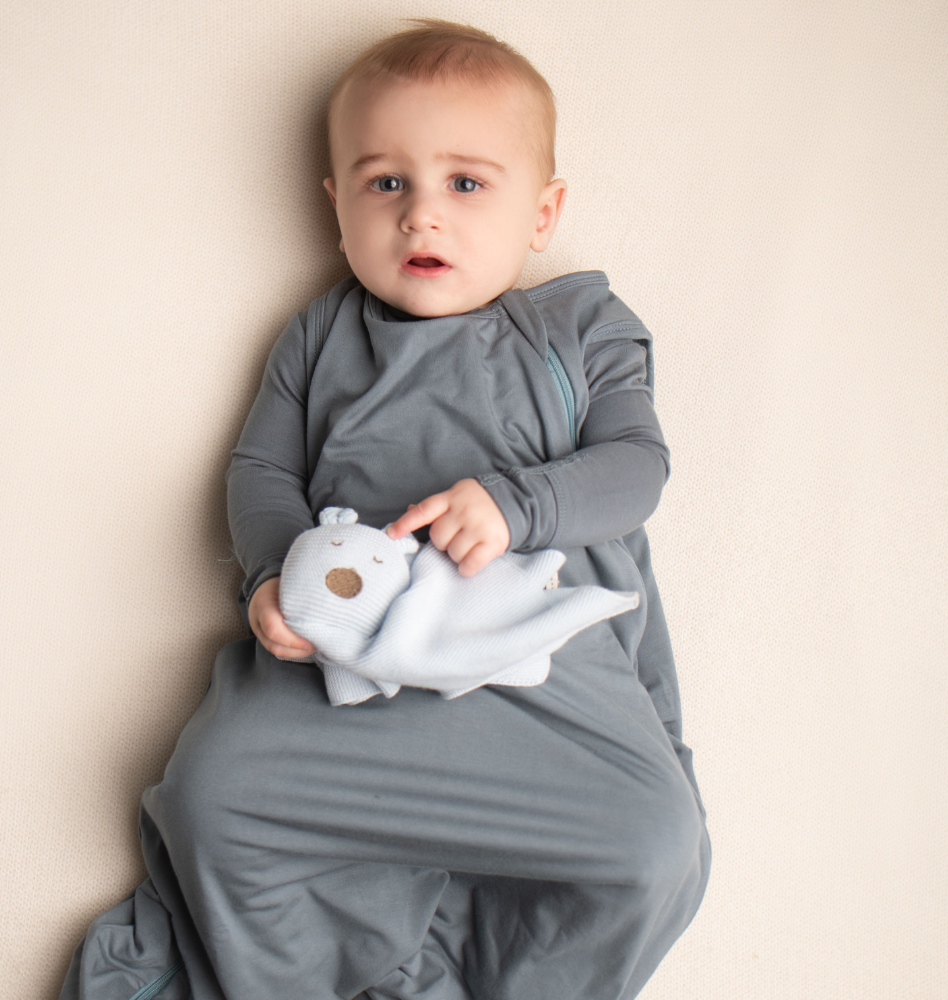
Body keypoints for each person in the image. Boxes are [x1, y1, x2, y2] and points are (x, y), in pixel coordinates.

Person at [60, 18, 710, 1000]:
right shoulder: (321, 337)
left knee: (658, 846)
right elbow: (259, 473)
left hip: (532, 672)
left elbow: (637, 468)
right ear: (337, 204)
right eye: (385, 183)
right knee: (210, 800)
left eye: (465, 183)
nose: (421, 218)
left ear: (543, 211)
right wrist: (277, 574)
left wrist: (517, 504)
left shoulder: (580, 328)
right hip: (343, 667)